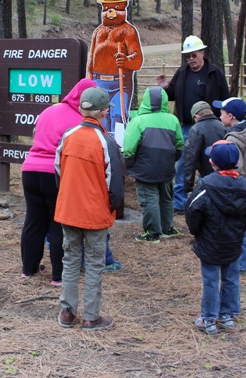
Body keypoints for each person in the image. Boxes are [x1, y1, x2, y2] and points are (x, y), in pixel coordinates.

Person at [21, 79, 123, 286]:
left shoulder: (50, 109)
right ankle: (58, 276)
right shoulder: (80, 121)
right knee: (58, 223)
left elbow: (34, 134)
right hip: (54, 172)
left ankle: (28, 269)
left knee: (33, 221)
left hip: (30, 169)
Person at [55, 87, 124, 331]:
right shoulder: (106, 141)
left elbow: (58, 169)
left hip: (69, 209)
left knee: (71, 259)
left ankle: (67, 313)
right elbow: (114, 182)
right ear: (104, 112)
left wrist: (66, 197)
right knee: (95, 263)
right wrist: (112, 209)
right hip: (94, 212)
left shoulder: (68, 135)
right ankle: (91, 317)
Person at [185, 140, 246, 335]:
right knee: (231, 277)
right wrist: (240, 230)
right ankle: (227, 315)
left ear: (213, 163)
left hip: (210, 241)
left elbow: (192, 211)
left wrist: (198, 232)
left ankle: (208, 318)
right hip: (233, 241)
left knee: (210, 279)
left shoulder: (206, 185)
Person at [159, 35, 229, 214]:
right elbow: (172, 94)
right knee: (183, 164)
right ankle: (180, 203)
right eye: (188, 56)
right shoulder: (182, 73)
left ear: (202, 53)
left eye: (193, 55)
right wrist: (166, 87)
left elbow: (225, 97)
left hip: (210, 127)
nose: (191, 59)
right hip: (186, 127)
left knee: (209, 163)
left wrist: (225, 121)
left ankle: (211, 197)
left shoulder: (215, 73)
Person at [123, 86, 183, 242]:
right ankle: (167, 228)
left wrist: (128, 163)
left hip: (145, 168)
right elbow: (179, 144)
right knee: (166, 198)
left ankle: (152, 233)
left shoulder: (138, 121)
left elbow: (129, 147)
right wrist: (173, 159)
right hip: (167, 167)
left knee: (149, 199)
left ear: (145, 101)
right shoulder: (173, 120)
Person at [213, 96, 246, 273]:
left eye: (222, 113)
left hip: (239, 190)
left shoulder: (234, 140)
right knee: (242, 226)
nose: (220, 116)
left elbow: (235, 169)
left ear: (231, 116)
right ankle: (241, 262)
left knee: (236, 227)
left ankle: (239, 264)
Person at [86, 0, 144, 133]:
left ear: (124, 8)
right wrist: (89, 81)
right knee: (100, 117)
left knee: (118, 115)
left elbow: (137, 59)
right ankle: (103, 147)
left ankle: (119, 147)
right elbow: (91, 60)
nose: (110, 12)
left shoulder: (128, 31)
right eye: (107, 8)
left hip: (120, 82)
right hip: (99, 82)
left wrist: (126, 61)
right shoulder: (98, 32)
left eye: (116, 8)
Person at [182, 100, 227, 195]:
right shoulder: (223, 126)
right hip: (224, 175)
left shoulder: (196, 129)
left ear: (196, 116)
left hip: (206, 176)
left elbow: (190, 158)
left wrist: (188, 184)